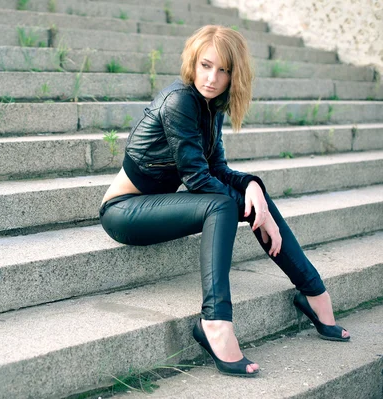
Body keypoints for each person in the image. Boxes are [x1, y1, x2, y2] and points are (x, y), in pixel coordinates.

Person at [98, 25, 350, 377]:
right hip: (124, 212)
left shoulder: (209, 106)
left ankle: (313, 292)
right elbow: (199, 179)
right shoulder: (180, 101)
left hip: (156, 205)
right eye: (205, 65)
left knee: (250, 195)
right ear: (193, 63)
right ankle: (214, 322)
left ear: (235, 74)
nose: (212, 78)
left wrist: (253, 189)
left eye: (223, 70)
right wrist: (256, 208)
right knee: (224, 203)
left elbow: (217, 169)